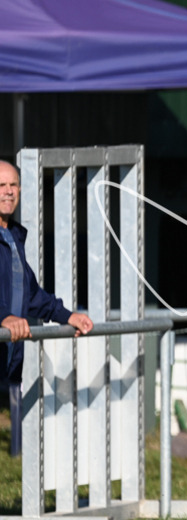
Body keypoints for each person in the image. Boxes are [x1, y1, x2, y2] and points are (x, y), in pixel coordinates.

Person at [1, 160, 93, 453]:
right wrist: (3, 317)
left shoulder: (13, 237)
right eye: (1, 186)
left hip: (8, 358)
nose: (8, 191)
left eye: (13, 185)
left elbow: (31, 295)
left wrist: (69, 316)